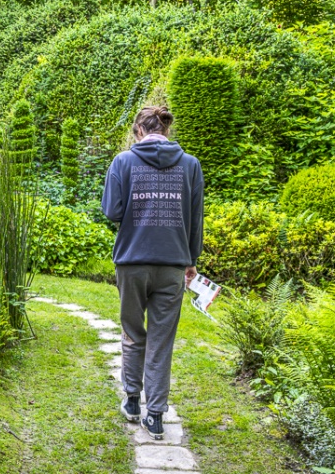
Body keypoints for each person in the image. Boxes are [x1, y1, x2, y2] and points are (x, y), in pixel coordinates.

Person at [101, 105, 204, 440]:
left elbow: (112, 211)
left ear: (139, 131)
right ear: (166, 131)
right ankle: (155, 416)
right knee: (162, 341)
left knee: (133, 331)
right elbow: (195, 217)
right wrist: (192, 259)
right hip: (173, 263)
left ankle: (132, 401)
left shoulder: (123, 161)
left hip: (132, 261)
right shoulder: (190, 165)